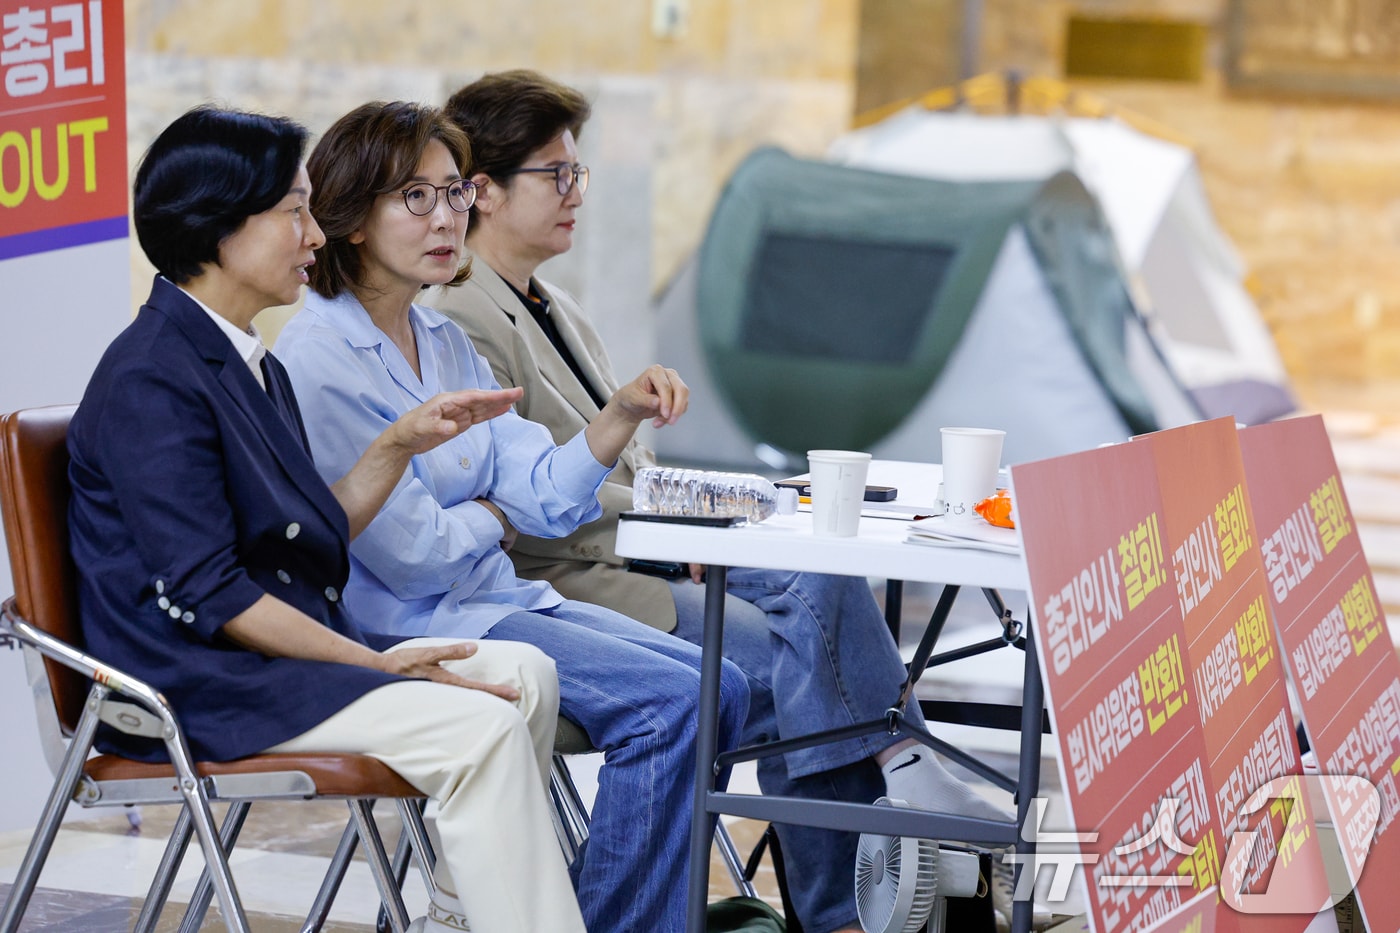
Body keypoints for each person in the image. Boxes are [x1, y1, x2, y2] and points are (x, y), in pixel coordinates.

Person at [429, 70, 1016, 933]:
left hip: (646, 548)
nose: (576, 192)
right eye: (556, 174)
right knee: (788, 670)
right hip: (576, 577)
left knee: (820, 576)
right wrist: (679, 533)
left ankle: (891, 799)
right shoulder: (463, 318)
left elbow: (629, 461)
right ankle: (868, 856)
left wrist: (705, 514)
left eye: (578, 172)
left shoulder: (558, 308)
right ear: (483, 190)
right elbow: (529, 493)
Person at [66, 106, 584, 933]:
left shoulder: (244, 359)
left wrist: (397, 445)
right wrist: (374, 664)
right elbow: (215, 594)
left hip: (268, 661)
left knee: (527, 675)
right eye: (294, 211)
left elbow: (310, 531)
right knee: (483, 727)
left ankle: (456, 916)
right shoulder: (151, 378)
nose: (316, 235)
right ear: (219, 225)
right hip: (198, 683)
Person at [272, 100, 749, 933]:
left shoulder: (439, 339)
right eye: (415, 197)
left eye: (455, 193)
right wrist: (497, 514)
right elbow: (415, 555)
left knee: (724, 687)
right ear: (349, 217)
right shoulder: (318, 361)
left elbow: (542, 490)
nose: (446, 217)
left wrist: (618, 416)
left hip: (498, 601)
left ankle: (593, 915)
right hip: (413, 628)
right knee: (675, 704)